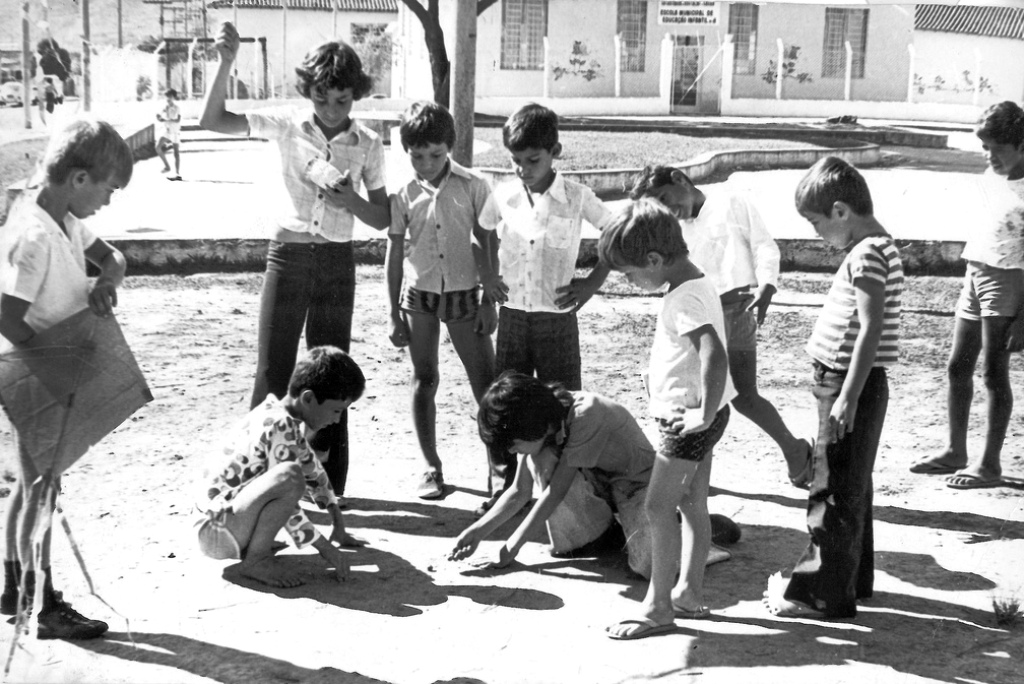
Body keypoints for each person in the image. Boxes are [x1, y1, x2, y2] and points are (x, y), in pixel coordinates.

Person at [200, 22, 390, 501]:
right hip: (288, 256)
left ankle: (330, 487)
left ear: (356, 96)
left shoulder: (367, 142)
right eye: (322, 99)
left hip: (334, 261)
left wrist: (350, 200)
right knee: (272, 371)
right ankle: (248, 483)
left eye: (342, 100)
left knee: (331, 377)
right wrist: (225, 62)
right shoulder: (287, 122)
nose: (331, 110)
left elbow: (384, 217)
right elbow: (213, 120)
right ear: (309, 92)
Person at [0, 118, 133, 640]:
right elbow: (8, 316)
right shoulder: (33, 234)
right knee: (43, 489)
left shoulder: (65, 222)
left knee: (31, 485)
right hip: (34, 372)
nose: (107, 200)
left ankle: (13, 586)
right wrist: (48, 366)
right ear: (79, 179)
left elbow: (115, 257)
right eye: (106, 188)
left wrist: (106, 281)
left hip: (44, 368)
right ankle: (45, 605)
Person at [763, 156, 903, 619]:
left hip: (848, 383)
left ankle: (819, 594)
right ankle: (849, 582)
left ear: (841, 211)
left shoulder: (866, 254)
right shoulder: (878, 247)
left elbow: (870, 328)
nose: (817, 233)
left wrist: (847, 395)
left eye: (817, 223)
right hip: (850, 382)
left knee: (832, 487)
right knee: (850, 482)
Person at [599, 199, 735, 640]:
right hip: (703, 417)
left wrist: (702, 412)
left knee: (658, 507)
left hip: (685, 424)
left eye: (630, 273)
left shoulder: (683, 299)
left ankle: (658, 607)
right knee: (693, 504)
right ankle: (688, 592)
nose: (630, 281)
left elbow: (713, 352)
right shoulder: (697, 283)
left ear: (654, 260)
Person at [631, 166, 812, 488]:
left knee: (743, 395)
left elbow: (764, 245)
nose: (667, 208)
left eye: (664, 198)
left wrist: (767, 283)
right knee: (691, 394)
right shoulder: (672, 230)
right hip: (697, 318)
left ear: (679, 179)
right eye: (658, 206)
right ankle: (689, 469)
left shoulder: (731, 201)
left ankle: (795, 449)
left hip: (737, 309)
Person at [476, 103, 613, 513]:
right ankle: (502, 491)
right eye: (515, 161)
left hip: (557, 321)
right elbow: (481, 234)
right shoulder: (504, 196)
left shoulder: (576, 196)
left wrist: (590, 284)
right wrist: (487, 278)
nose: (523, 168)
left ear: (555, 151)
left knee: (563, 405)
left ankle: (570, 496)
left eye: (532, 160)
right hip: (514, 317)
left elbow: (614, 234)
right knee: (505, 406)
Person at [386, 101, 501, 500]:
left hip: (465, 296)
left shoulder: (473, 185)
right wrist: (392, 314)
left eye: (435, 154)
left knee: (485, 382)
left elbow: (489, 242)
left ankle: (499, 469)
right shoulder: (402, 194)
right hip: (419, 298)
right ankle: (430, 467)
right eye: (417, 155)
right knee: (425, 379)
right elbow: (395, 253)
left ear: (449, 147)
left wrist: (490, 300)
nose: (427, 162)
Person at [909, 101, 1024, 489]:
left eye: (997, 148)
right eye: (985, 148)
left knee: (994, 373)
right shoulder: (992, 178)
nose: (989, 156)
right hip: (976, 271)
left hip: (1009, 280)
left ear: (1021, 144)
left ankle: (989, 464)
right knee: (958, 366)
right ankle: (955, 450)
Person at [449, 371, 655, 578]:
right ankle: (604, 535)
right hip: (602, 484)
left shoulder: (586, 413)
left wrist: (510, 548)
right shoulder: (543, 422)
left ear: (534, 426)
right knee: (540, 458)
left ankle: (669, 521)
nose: (511, 451)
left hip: (636, 486)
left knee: (649, 566)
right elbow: (519, 491)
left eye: (514, 444)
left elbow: (555, 492)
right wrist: (477, 532)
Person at [196, 346, 367, 588]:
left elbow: (314, 470)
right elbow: (290, 496)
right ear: (308, 398)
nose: (337, 420)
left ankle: (254, 547)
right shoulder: (280, 426)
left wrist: (337, 524)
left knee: (293, 474)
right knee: (290, 477)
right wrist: (327, 550)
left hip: (216, 527)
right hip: (217, 532)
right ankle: (256, 560)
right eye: (336, 410)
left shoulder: (276, 414)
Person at [156, 88, 182, 181]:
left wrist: (166, 120)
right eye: (167, 97)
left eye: (170, 97)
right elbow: (160, 117)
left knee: (176, 152)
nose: (168, 99)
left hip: (175, 131)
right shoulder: (165, 107)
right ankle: (167, 166)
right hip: (167, 130)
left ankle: (177, 174)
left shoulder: (177, 108)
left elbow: (178, 120)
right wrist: (159, 118)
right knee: (158, 147)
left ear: (173, 97)